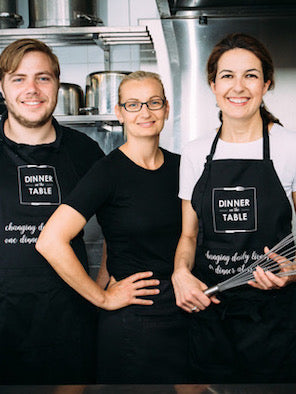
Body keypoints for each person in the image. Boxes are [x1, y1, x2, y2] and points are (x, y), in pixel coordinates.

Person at [172, 32, 296, 383]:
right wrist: (180, 272)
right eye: (227, 76)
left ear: (266, 83)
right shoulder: (194, 152)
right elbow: (189, 234)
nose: (238, 87)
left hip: (275, 320)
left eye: (250, 75)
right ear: (212, 84)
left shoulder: (294, 147)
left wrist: (294, 271)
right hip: (212, 311)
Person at [36, 71, 190, 384]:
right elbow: (50, 241)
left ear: (166, 109)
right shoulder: (107, 171)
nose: (145, 112)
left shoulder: (182, 166)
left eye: (153, 102)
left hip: (184, 313)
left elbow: (117, 236)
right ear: (119, 112)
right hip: (134, 322)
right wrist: (102, 298)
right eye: (133, 104)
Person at [0, 39, 104, 384]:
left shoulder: (85, 152)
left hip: (68, 323)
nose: (32, 89)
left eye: (43, 78)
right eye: (18, 78)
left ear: (57, 84)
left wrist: (100, 290)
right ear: (2, 86)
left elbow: (120, 230)